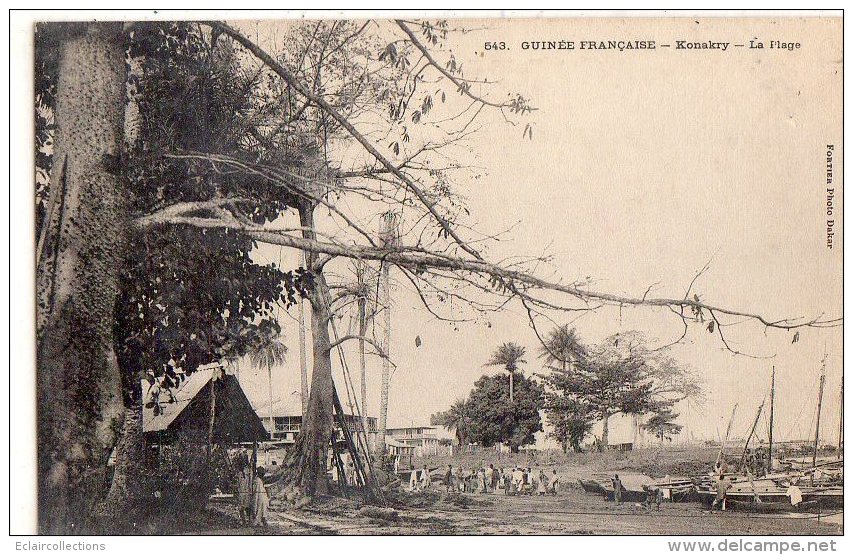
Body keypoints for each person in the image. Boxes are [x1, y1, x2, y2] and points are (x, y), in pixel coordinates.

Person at [235, 452, 252, 525]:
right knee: (243, 507)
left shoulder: (247, 471)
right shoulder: (243, 471)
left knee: (245, 506)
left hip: (245, 491)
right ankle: (244, 521)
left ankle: (247, 520)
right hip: (243, 491)